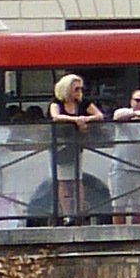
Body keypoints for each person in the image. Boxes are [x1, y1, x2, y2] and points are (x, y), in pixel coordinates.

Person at [47, 74, 106, 222]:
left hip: (76, 145)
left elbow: (99, 116)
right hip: (59, 145)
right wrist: (76, 120)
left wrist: (86, 119)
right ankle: (67, 215)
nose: (79, 91)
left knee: (77, 179)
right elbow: (55, 116)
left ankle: (79, 211)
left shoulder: (83, 103)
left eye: (80, 88)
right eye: (76, 89)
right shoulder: (57, 102)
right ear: (67, 89)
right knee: (63, 181)